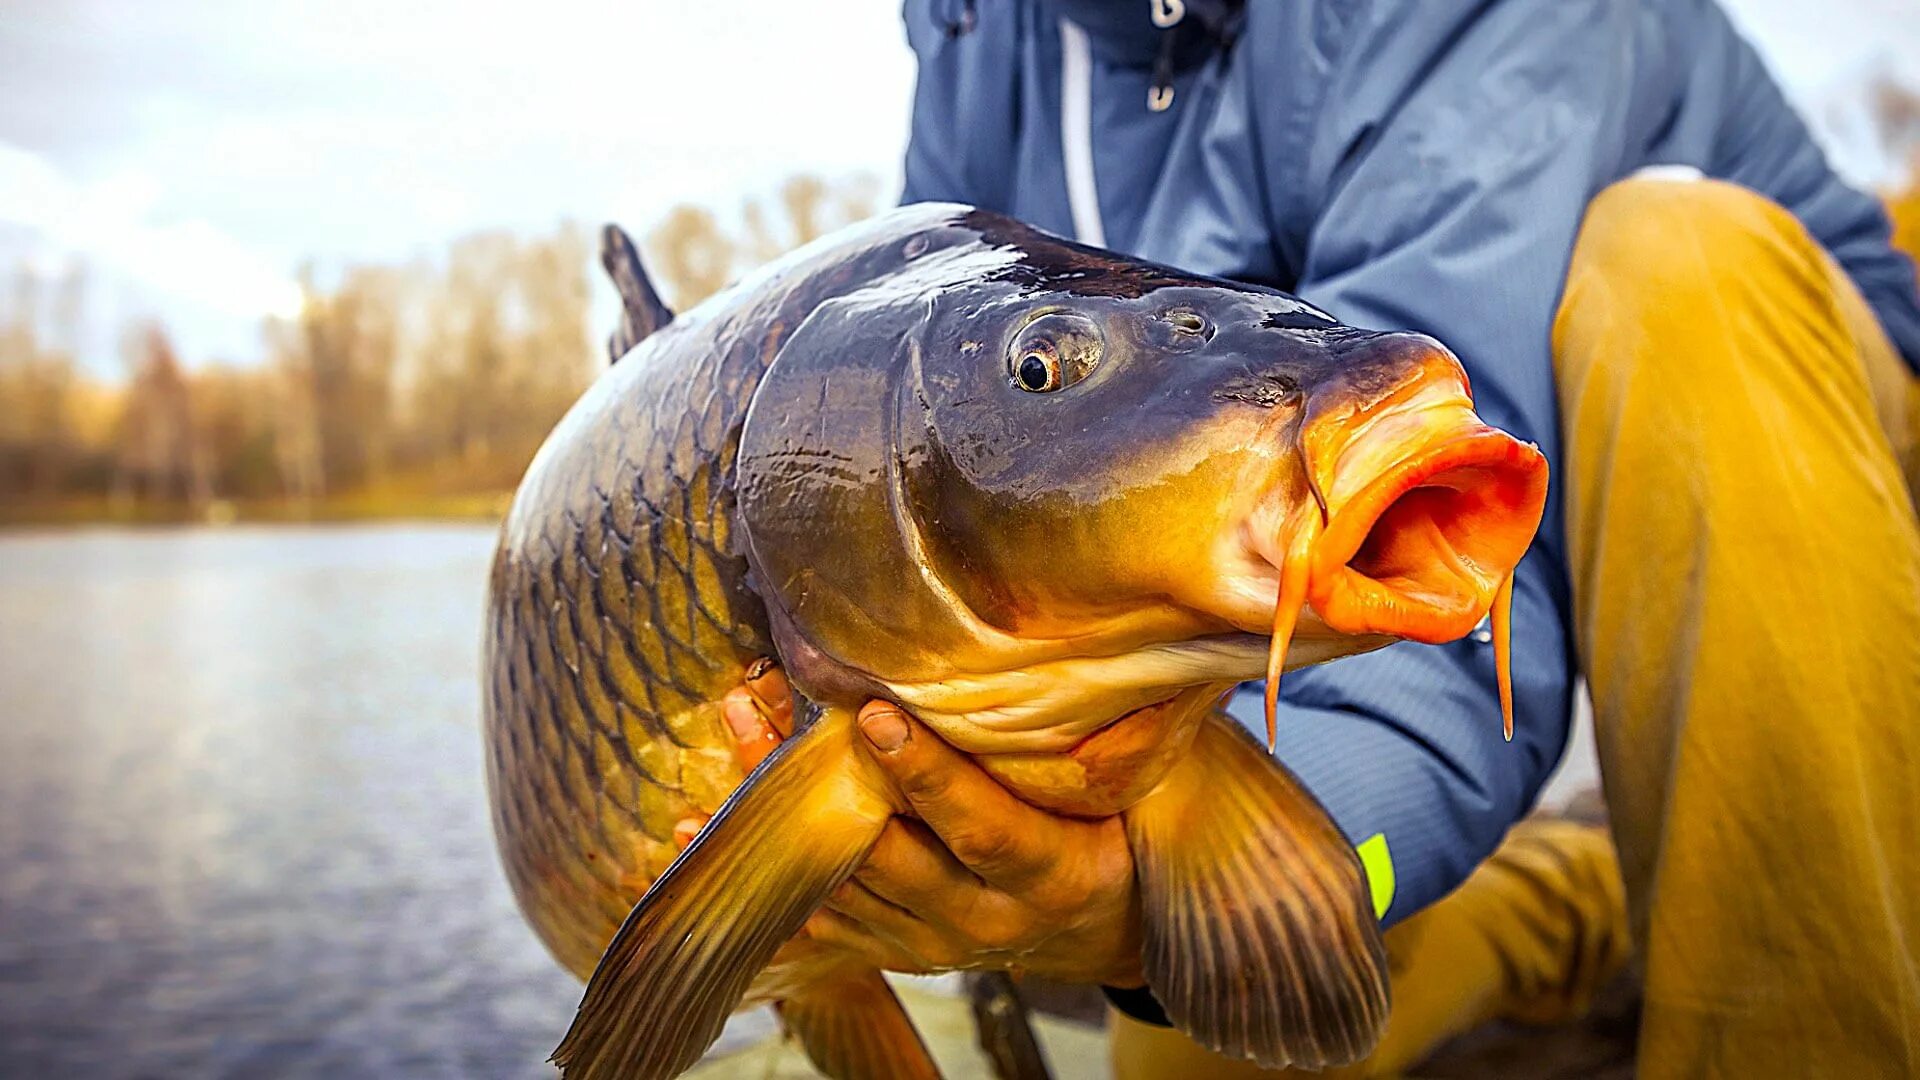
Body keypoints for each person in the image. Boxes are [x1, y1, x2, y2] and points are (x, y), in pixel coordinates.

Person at [698, 1, 1920, 1075]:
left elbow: (1412, 527)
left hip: (1816, 460)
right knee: (1214, 1025)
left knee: (1680, 266)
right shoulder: (976, 33)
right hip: (1347, 538)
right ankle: (1579, 896)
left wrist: (1206, 870)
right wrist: (1126, 901)